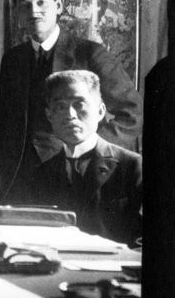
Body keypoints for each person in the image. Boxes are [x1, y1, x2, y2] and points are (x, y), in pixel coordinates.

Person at [0, 0, 142, 201]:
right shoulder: (12, 60)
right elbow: (5, 128)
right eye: (24, 6)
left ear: (59, 5)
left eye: (41, 2)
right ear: (18, 16)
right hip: (19, 181)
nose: (34, 12)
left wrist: (90, 149)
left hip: (72, 176)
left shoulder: (89, 54)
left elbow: (133, 112)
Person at [27, 71, 142, 245]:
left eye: (79, 104)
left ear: (100, 111)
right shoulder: (41, 175)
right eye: (60, 107)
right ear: (49, 115)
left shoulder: (133, 167)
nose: (70, 114)